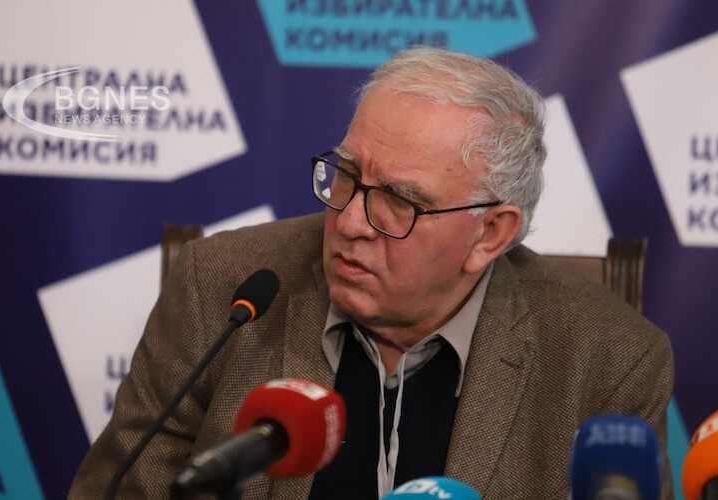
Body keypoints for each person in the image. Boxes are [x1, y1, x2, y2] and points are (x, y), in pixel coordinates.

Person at [68, 47, 674, 499]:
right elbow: (121, 491)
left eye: (399, 201)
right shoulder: (222, 288)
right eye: (347, 175)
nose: (351, 221)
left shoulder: (609, 360)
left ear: (490, 233)